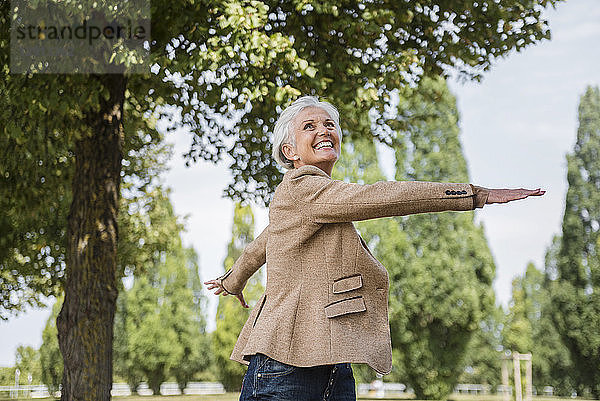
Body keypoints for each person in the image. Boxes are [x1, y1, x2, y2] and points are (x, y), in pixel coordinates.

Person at [204, 96, 545, 400]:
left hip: (331, 365)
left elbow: (264, 241)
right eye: (309, 126)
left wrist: (233, 279)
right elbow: (383, 196)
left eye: (329, 124)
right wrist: (475, 195)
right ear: (290, 152)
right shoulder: (303, 188)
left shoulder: (310, 201)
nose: (324, 130)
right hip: (286, 369)